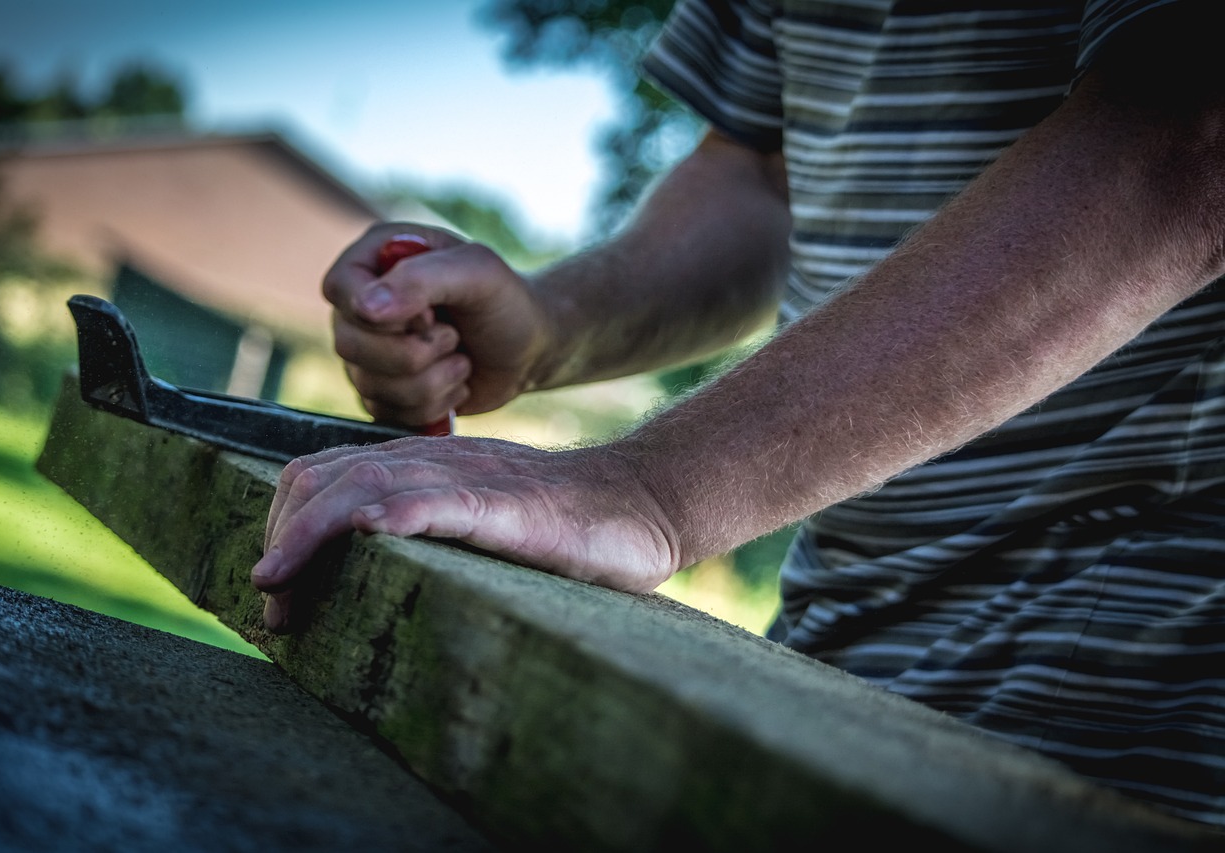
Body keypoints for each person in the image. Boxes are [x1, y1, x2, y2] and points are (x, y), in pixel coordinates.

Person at [252, 0, 1225, 828]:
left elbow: (1183, 143)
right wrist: (552, 326)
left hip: (1125, 720)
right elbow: (759, 179)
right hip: (826, 656)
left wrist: (648, 486)